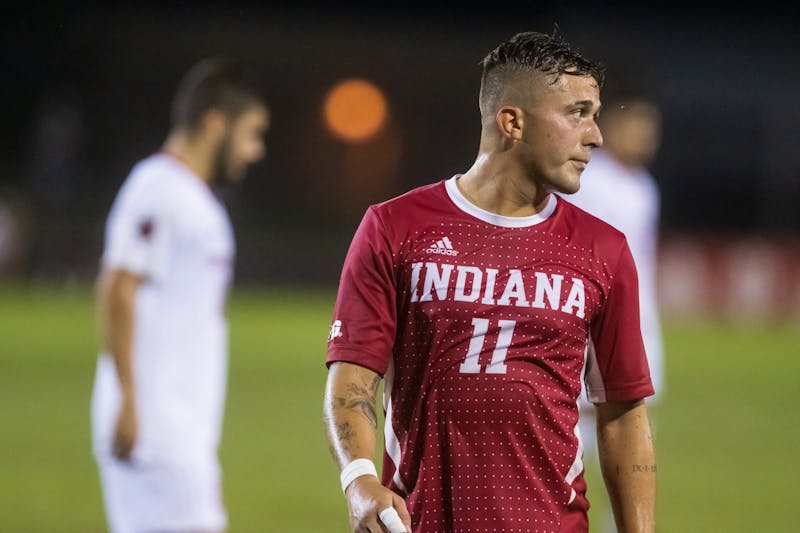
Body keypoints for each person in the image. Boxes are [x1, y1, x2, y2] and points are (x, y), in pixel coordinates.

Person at [323, 30, 656, 533]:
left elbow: (623, 417)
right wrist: (359, 479)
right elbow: (351, 380)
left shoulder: (603, 249)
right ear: (513, 122)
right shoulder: (395, 228)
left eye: (595, 114)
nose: (596, 135)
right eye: (577, 113)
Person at [91, 58, 269, 533]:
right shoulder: (157, 186)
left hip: (181, 433)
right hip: (154, 427)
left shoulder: (195, 198)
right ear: (215, 123)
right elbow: (117, 286)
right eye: (251, 133)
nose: (255, 151)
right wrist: (130, 401)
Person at [562, 95, 665, 462]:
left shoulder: (643, 185)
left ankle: (616, 517)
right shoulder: (590, 179)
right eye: (638, 128)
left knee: (635, 411)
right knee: (586, 413)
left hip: (641, 310)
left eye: (650, 131)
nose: (645, 138)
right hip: (599, 308)